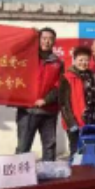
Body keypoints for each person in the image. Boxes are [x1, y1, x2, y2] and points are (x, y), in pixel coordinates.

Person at [16, 28, 63, 162]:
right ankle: (20, 173)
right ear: (38, 40)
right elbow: (13, 51)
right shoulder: (27, 58)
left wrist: (46, 100)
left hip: (49, 111)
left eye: (50, 39)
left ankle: (48, 172)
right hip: (27, 110)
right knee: (23, 147)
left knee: (49, 147)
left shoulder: (58, 63)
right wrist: (28, 37)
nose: (47, 41)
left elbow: (59, 86)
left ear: (54, 42)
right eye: (44, 38)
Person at [59, 46, 95, 157]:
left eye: (86, 60)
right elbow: (64, 103)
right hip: (75, 122)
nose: (83, 63)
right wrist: (71, 123)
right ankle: (76, 168)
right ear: (74, 60)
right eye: (80, 60)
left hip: (91, 120)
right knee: (76, 151)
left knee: (91, 151)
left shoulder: (92, 77)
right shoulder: (66, 77)